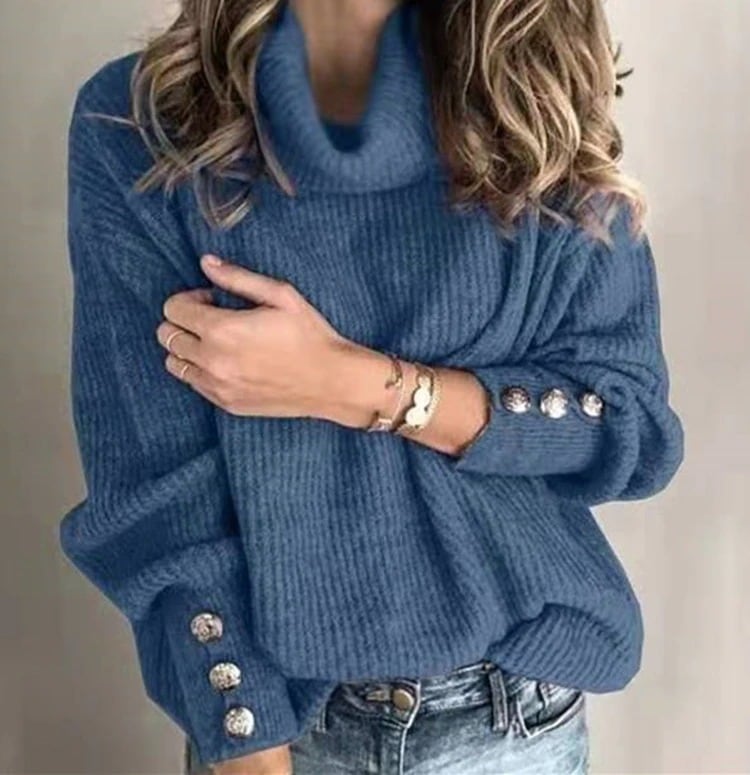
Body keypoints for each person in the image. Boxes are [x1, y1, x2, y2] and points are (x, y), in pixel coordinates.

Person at [59, 0, 685, 773]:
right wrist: (247, 738)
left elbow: (629, 427)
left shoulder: (531, 99)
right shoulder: (143, 124)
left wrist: (351, 384)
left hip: (508, 720)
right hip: (280, 721)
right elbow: (156, 491)